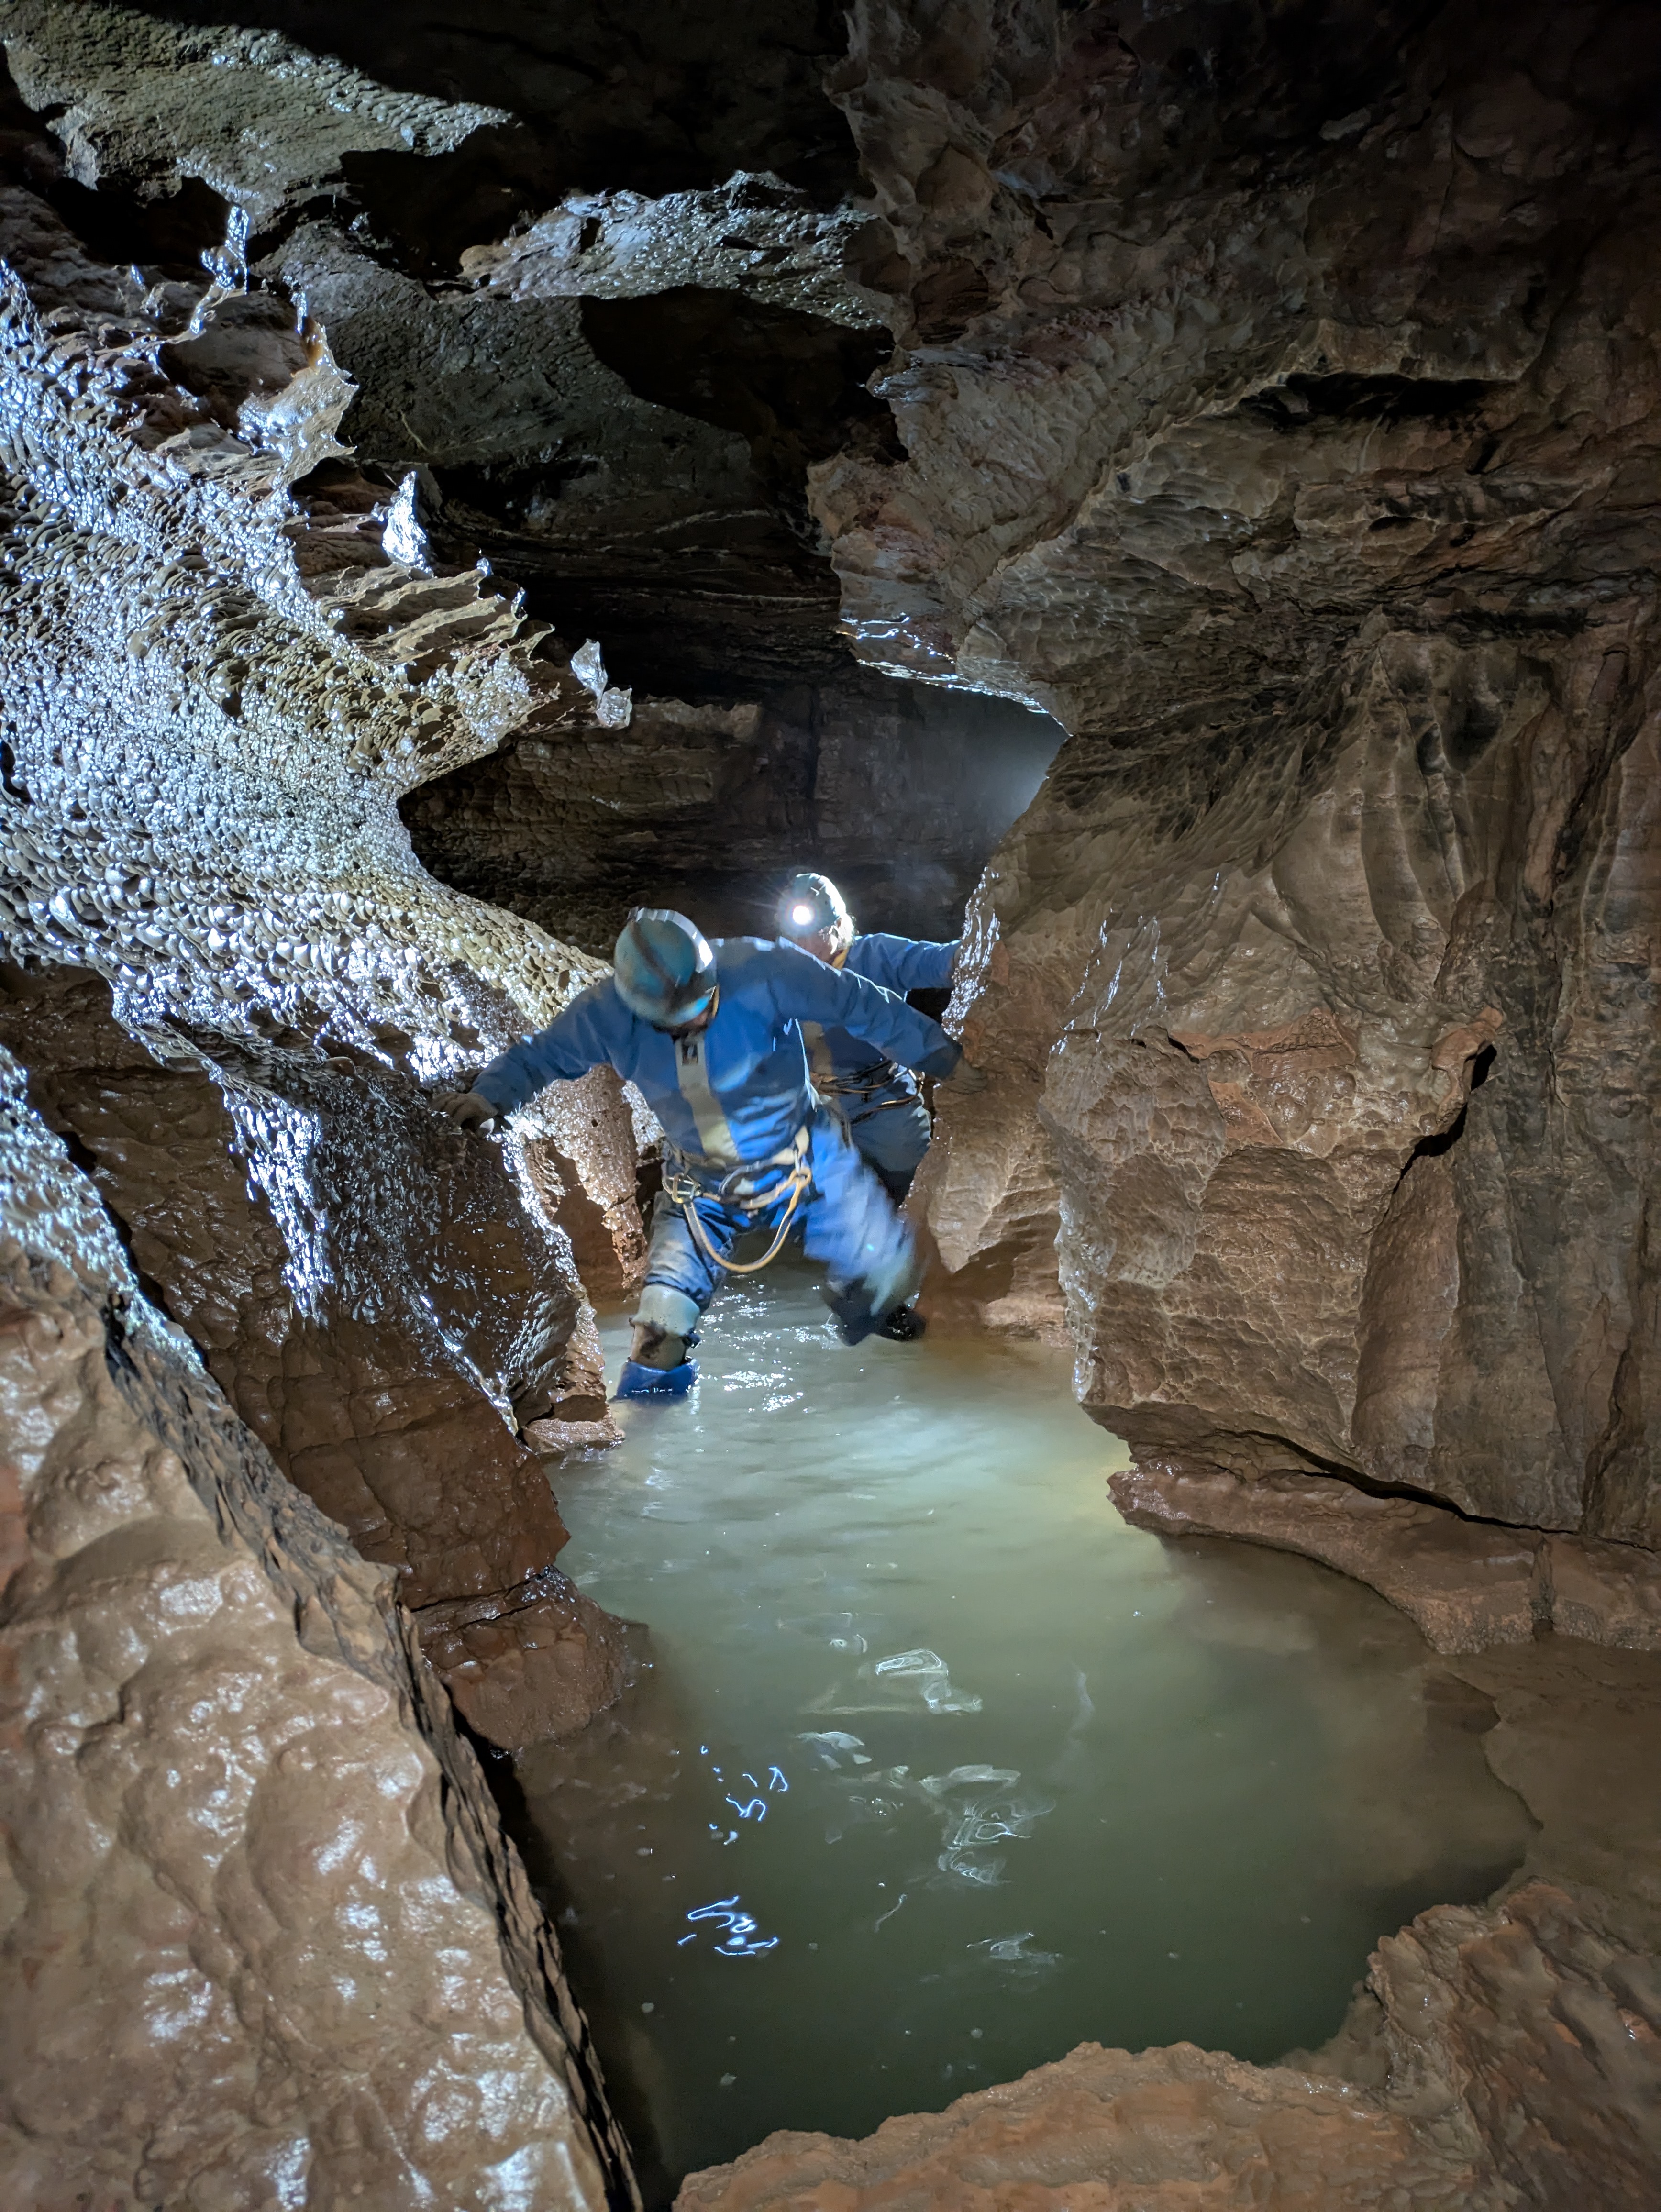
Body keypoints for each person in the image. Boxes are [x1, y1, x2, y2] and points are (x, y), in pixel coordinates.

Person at [438, 909, 984, 1399]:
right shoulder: (606, 1013)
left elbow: (862, 1006)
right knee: (658, 1333)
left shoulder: (764, 968)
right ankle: (646, 1450)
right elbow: (543, 1056)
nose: (694, 1021)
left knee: (886, 1274)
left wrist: (945, 1059)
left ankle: (872, 1314)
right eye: (674, 1020)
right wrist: (489, 1095)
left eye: (703, 1004)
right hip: (701, 1186)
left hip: (806, 1154)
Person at [776, 871, 973, 1202]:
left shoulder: (876, 955)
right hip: (816, 1105)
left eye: (814, 935)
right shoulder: (781, 974)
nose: (803, 947)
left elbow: (938, 961)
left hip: (884, 1099)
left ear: (839, 927)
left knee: (915, 1183)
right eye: (795, 938)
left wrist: (985, 946)